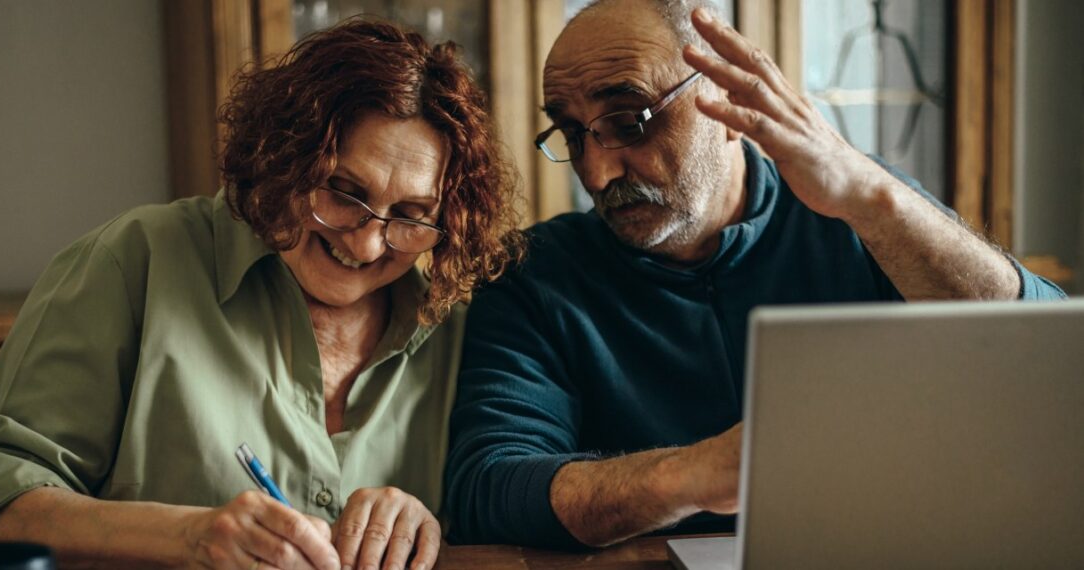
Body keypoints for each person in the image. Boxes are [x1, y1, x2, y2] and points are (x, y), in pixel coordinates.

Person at [443, 0, 1065, 550]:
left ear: (729, 98)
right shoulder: (534, 274)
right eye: (574, 134)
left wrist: (874, 198)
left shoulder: (861, 211)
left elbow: (1048, 363)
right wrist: (693, 474)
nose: (598, 173)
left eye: (629, 120)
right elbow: (489, 486)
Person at [0, 18, 522, 570]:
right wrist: (187, 538)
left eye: (412, 216)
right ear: (287, 155)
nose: (369, 244)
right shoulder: (136, 262)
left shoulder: (456, 328)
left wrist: (427, 526)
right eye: (344, 192)